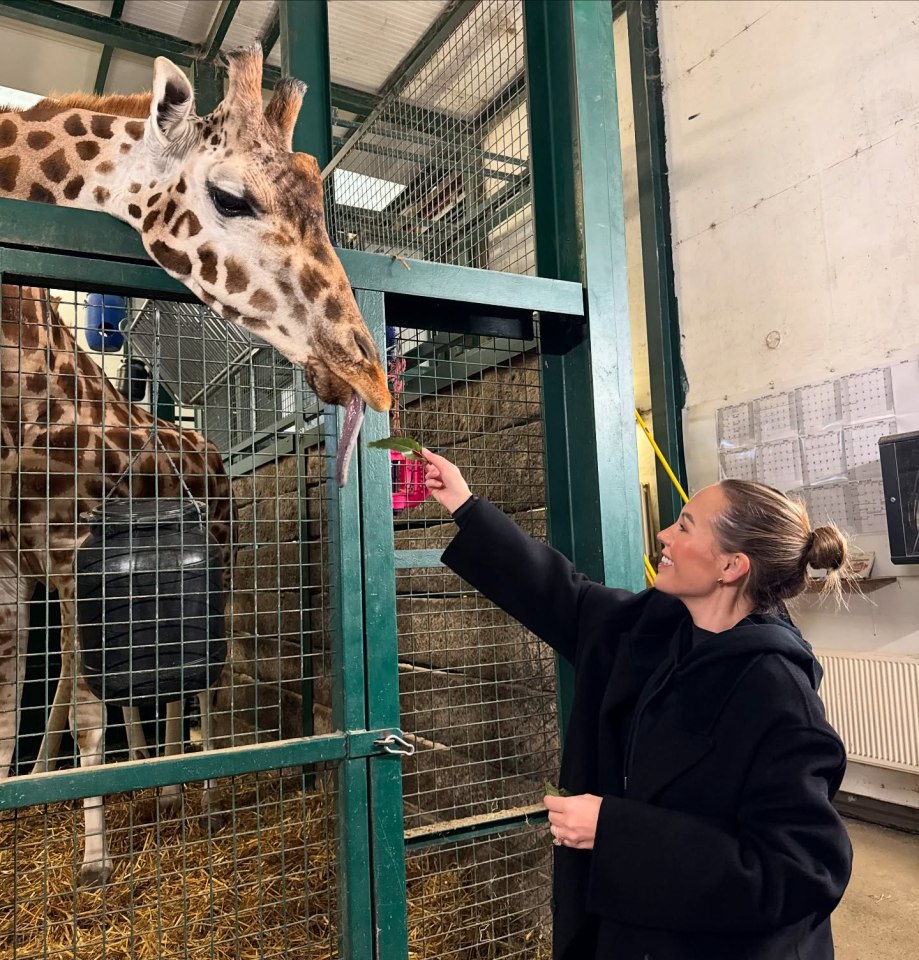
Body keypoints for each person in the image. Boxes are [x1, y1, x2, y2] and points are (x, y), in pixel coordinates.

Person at [422, 448, 853, 960]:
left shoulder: (777, 696)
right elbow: (571, 599)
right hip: (635, 929)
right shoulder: (665, 623)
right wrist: (464, 504)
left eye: (686, 527)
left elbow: (800, 870)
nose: (666, 536)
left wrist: (614, 829)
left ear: (732, 566)